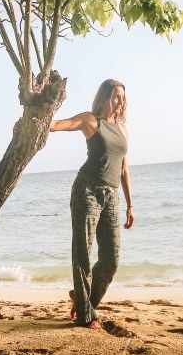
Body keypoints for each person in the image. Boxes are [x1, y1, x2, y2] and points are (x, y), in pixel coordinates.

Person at [49, 79, 134, 329]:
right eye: (115, 96)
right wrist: (39, 114)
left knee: (111, 259)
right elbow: (58, 125)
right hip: (87, 190)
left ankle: (83, 299)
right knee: (83, 253)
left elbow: (124, 170)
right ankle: (86, 315)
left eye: (122, 97)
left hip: (112, 194)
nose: (120, 101)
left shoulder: (123, 129)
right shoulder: (91, 120)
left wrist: (130, 205)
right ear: (105, 97)